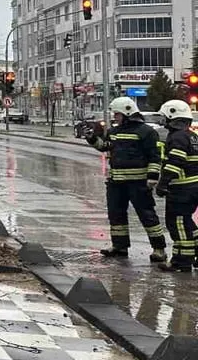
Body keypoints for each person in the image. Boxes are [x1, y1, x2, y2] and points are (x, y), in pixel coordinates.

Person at [84, 97, 167, 261]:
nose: (115, 117)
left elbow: (155, 157)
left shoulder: (147, 132)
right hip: (116, 183)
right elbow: (105, 147)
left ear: (127, 112)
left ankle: (159, 249)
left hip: (139, 183)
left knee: (147, 216)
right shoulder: (114, 132)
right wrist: (92, 138)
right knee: (116, 215)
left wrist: (152, 177)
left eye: (117, 114)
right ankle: (119, 246)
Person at [156, 99, 198, 272]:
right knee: (187, 222)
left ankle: (182, 261)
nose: (163, 120)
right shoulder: (192, 136)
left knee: (178, 223)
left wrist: (162, 184)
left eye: (165, 117)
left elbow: (175, 162)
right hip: (193, 186)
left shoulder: (177, 137)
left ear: (172, 116)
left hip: (182, 189)